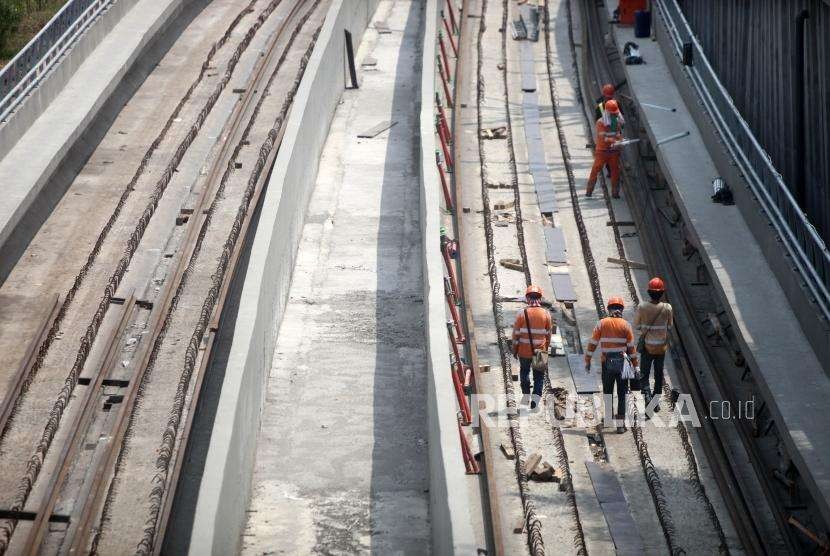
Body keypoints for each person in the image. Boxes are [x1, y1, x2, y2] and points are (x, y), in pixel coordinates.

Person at [585, 297, 639, 433]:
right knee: (622, 394)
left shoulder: (602, 323)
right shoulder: (626, 325)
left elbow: (592, 343)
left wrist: (588, 359)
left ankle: (608, 420)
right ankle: (620, 426)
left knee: (608, 392)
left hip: (606, 364)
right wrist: (635, 365)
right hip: (623, 365)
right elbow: (631, 348)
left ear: (609, 309)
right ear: (621, 309)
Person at [634, 277, 674, 412]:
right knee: (658, 374)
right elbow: (670, 326)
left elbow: (637, 326)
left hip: (647, 347)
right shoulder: (667, 307)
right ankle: (655, 403)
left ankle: (647, 396)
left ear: (649, 292)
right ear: (662, 293)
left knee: (644, 374)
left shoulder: (642, 307)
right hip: (661, 348)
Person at [511, 285, 553, 409]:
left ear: (527, 298)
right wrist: (546, 348)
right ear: (540, 298)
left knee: (524, 372)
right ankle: (535, 401)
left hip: (524, 351)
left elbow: (516, 335)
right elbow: (548, 334)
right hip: (540, 351)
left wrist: (515, 349)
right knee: (539, 377)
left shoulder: (521, 314)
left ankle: (526, 396)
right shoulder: (546, 314)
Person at [586, 99, 624, 199]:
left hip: (613, 152)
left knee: (615, 171)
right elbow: (603, 136)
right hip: (602, 151)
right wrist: (614, 140)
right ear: (607, 112)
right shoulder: (600, 122)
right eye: (613, 113)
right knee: (596, 169)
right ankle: (589, 191)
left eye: (615, 113)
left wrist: (621, 140)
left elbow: (618, 133)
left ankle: (615, 193)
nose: (614, 115)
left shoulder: (616, 121)